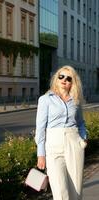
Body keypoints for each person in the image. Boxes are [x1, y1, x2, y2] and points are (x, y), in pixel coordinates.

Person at [35, 65, 88, 200]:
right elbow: (40, 128)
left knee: (76, 190)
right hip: (53, 145)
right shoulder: (45, 99)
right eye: (61, 76)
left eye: (68, 78)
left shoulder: (75, 101)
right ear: (56, 78)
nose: (64, 80)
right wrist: (41, 154)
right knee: (60, 191)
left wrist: (83, 139)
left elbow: (81, 122)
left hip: (74, 143)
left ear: (73, 82)